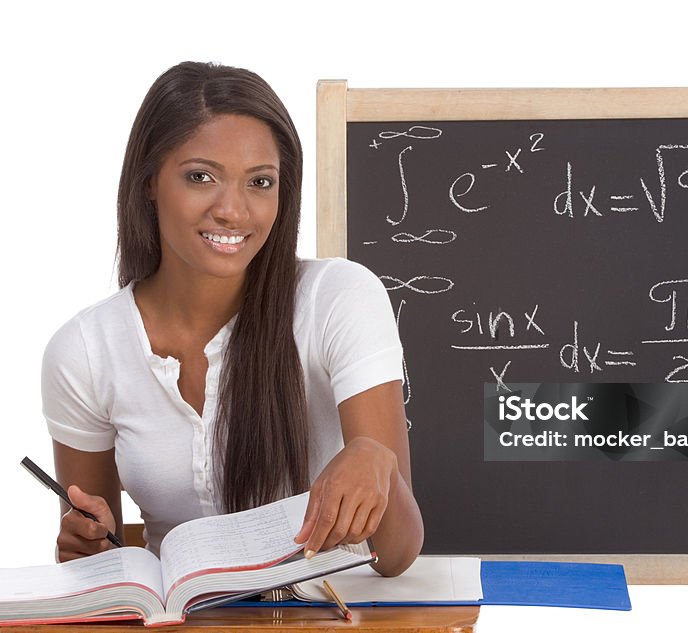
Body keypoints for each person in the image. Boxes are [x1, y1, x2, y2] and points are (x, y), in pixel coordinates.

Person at [41, 62, 423, 577]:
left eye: (260, 182)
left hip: (335, 621)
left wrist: (378, 460)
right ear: (149, 180)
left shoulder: (339, 299)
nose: (233, 211)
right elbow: (101, 561)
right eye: (201, 177)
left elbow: (397, 555)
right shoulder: (84, 352)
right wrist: (89, 549)